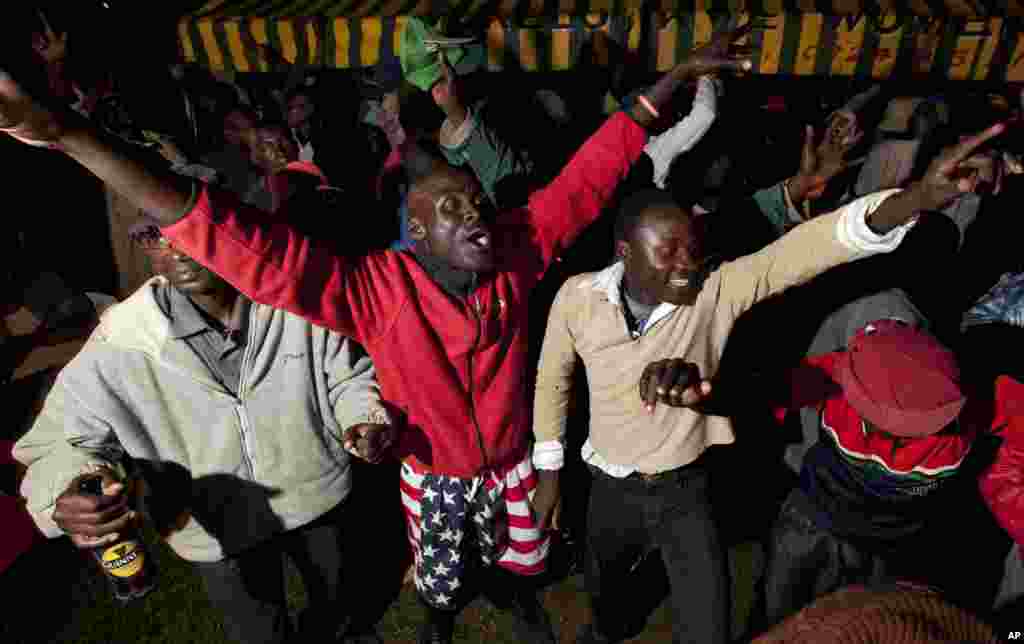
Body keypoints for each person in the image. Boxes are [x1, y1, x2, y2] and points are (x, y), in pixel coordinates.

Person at [0, 25, 753, 644]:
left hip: (512, 463)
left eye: (478, 201)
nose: (476, 215)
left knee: (522, 562)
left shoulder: (518, 253)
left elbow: (591, 174)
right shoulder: (373, 290)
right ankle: (437, 617)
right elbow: (238, 242)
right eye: (451, 209)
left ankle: (512, 596)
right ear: (415, 233)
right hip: (432, 474)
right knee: (438, 574)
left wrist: (677, 76)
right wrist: (71, 135)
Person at [528, 113, 1001, 642]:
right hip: (609, 489)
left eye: (693, 247)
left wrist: (914, 199)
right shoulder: (578, 297)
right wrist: (549, 472)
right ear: (625, 252)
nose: (688, 264)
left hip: (685, 490)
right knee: (608, 602)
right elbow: (553, 380)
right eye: (668, 252)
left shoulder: (717, 289)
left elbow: (808, 249)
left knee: (711, 629)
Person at [13, 220, 395, 644]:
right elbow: (60, 441)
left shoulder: (293, 300)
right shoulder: (121, 342)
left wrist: (363, 416)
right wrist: (66, 488)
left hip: (317, 497)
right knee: (257, 633)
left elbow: (345, 375)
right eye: (152, 235)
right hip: (215, 528)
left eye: (189, 228)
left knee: (340, 606)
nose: (175, 248)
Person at [757, 319, 1023, 627]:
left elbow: (1013, 461)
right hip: (813, 527)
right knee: (778, 627)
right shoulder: (835, 374)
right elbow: (760, 393)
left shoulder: (982, 399)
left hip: (896, 552)